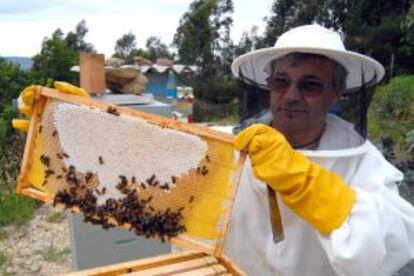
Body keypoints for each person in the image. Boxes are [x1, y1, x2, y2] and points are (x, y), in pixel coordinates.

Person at [224, 24, 414, 276]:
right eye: (281, 82)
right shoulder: (227, 144)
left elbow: (393, 243)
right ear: (269, 85)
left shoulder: (364, 163)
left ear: (335, 94)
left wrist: (307, 184)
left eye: (310, 85)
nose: (291, 95)